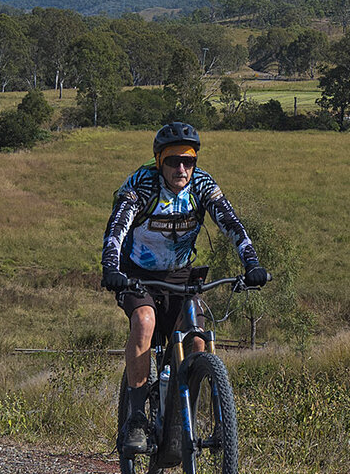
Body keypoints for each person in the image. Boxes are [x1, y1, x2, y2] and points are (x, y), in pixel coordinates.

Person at [100, 122, 267, 453]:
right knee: (145, 322)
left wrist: (252, 264)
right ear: (159, 160)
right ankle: (135, 419)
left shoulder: (202, 186)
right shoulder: (142, 185)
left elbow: (231, 223)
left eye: (188, 161)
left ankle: (204, 420)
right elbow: (117, 227)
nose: (181, 168)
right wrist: (111, 268)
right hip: (138, 275)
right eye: (173, 161)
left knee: (197, 341)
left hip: (181, 276)